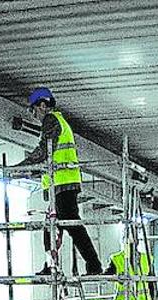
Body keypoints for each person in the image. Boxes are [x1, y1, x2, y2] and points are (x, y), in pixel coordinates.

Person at [19, 87, 102, 276]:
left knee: (71, 225)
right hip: (61, 184)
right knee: (53, 226)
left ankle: (93, 264)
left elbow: (44, 150)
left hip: (63, 183)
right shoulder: (59, 121)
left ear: (42, 105)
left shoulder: (51, 119)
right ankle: (52, 266)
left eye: (33, 110)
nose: (33, 115)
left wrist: (19, 168)